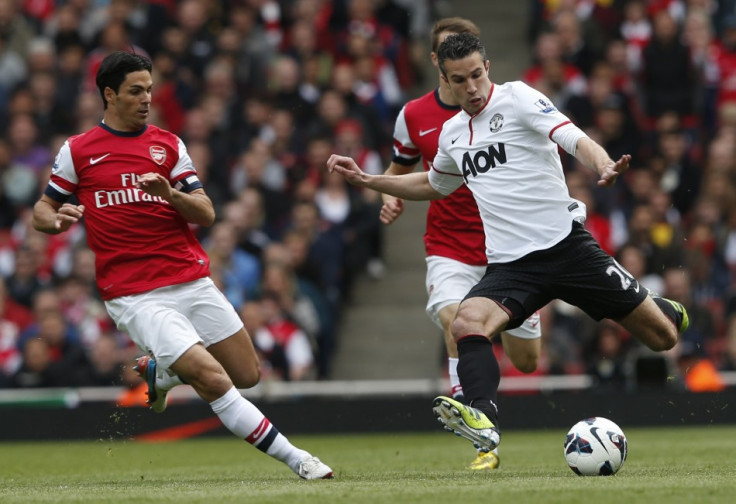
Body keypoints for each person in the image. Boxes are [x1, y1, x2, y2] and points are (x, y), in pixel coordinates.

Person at [327, 33, 688, 456]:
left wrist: (603, 163)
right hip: (511, 267)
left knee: (663, 337)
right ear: (444, 79)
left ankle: (661, 308)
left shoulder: (518, 99)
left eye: (477, 75)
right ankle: (482, 417)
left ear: (488, 68)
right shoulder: (452, 134)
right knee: (465, 322)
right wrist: (371, 180)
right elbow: (433, 183)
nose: (472, 88)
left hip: (567, 249)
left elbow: (573, 138)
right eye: (459, 80)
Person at [32, 51, 333, 480]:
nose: (146, 99)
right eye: (136, 91)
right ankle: (298, 459)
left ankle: (161, 374)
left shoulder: (168, 145)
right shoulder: (78, 151)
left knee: (246, 374)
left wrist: (170, 194)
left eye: (149, 90)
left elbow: (206, 213)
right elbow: (42, 210)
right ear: (109, 94)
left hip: (190, 279)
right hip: (134, 294)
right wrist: (55, 219)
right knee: (212, 378)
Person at [380, 17, 556, 471]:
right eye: (449, 61)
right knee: (453, 317)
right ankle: (476, 414)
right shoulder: (414, 116)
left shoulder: (506, 104)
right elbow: (400, 167)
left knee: (528, 359)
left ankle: (479, 372)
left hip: (510, 247)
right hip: (449, 244)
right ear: (438, 64)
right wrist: (388, 195)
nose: (463, 77)